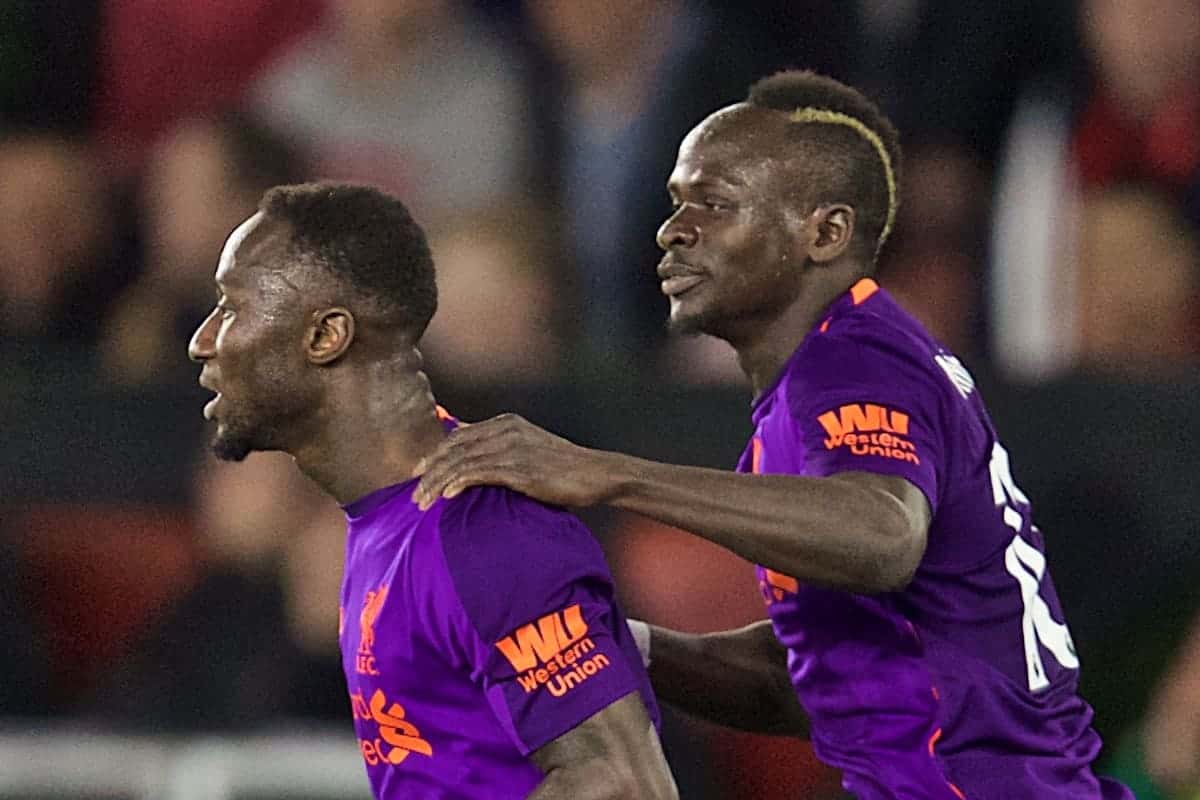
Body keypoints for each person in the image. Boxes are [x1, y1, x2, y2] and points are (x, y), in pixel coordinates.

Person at [413, 71, 1134, 800]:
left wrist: (608, 475)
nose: (674, 231)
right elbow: (812, 680)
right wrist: (604, 645)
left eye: (716, 204)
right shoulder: (811, 389)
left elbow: (882, 535)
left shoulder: (857, 359)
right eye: (676, 203)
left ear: (825, 233)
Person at [187, 182, 676, 799]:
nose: (202, 340)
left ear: (325, 337)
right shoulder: (381, 526)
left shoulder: (481, 528)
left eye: (233, 308)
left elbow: (622, 785)